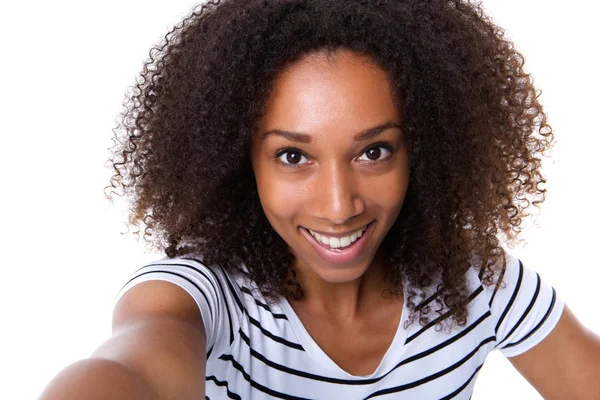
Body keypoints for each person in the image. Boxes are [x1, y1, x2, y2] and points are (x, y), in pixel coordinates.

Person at [40, 0, 600, 398]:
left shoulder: (477, 282)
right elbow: (133, 369)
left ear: (423, 150)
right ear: (242, 163)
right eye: (293, 156)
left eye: (374, 151)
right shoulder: (204, 300)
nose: (338, 205)